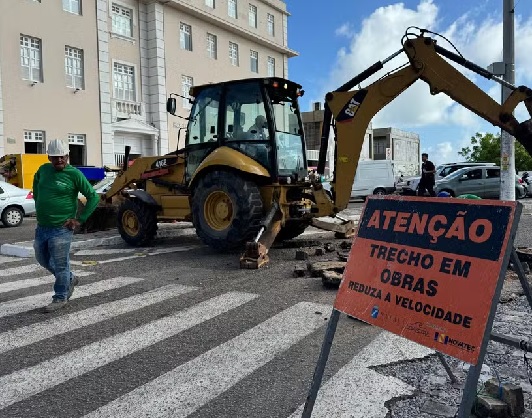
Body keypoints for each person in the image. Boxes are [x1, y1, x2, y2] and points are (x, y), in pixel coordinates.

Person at [33, 139, 100, 312]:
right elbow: (37, 191)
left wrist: (80, 219)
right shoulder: (42, 170)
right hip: (42, 227)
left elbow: (93, 196)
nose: (59, 161)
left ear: (67, 156)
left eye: (62, 157)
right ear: (49, 157)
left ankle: (60, 297)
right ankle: (70, 278)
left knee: (60, 264)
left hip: (62, 229)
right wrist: (42, 207)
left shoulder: (74, 174)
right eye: (55, 158)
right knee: (42, 259)